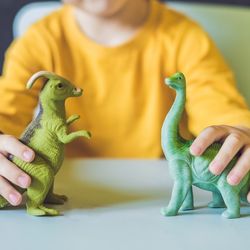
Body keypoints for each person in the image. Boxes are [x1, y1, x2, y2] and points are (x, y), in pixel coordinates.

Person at [0, 0, 250, 206]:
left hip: (157, 196)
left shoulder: (185, 37)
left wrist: (241, 137)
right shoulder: (38, 41)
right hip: (73, 201)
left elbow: (221, 109)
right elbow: (5, 113)